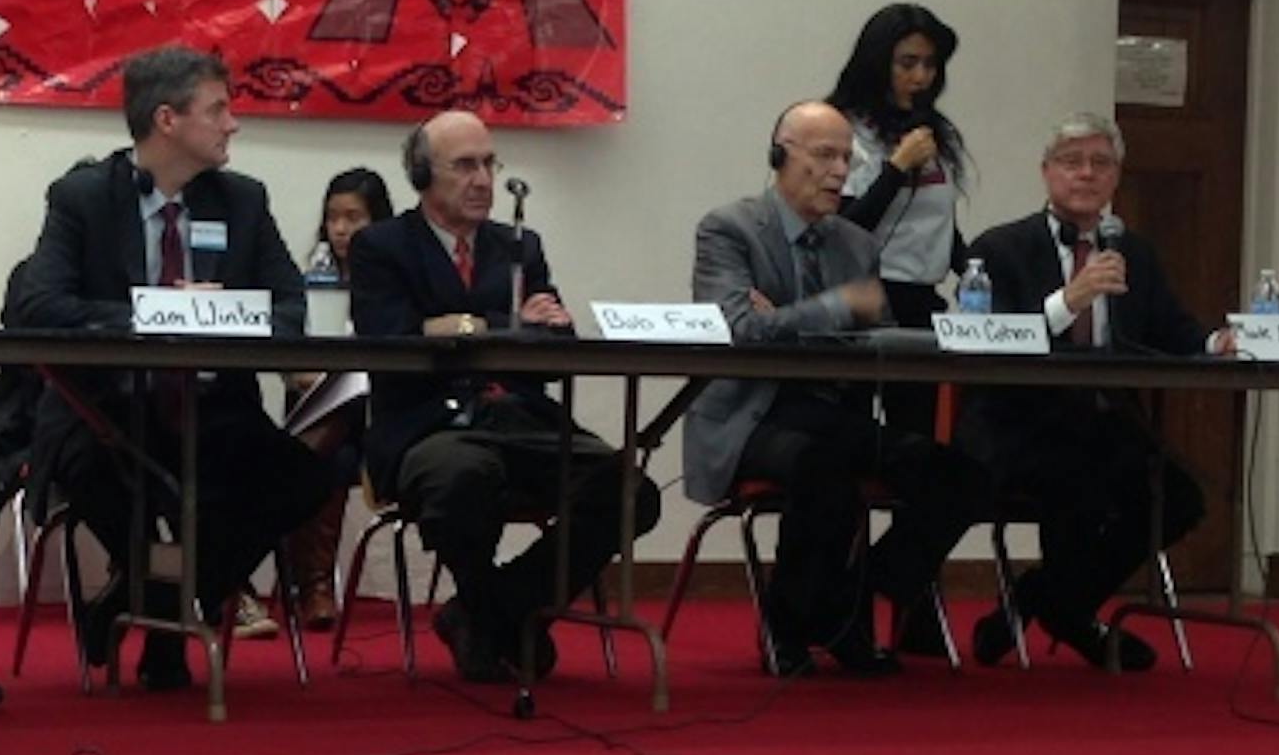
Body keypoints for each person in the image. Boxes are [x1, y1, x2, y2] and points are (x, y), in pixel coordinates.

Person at [5, 45, 334, 690]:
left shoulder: (243, 200)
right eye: (218, 109)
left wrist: (227, 313)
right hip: (105, 414)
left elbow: (290, 307)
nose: (233, 123)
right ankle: (169, 615)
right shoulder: (83, 197)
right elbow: (37, 305)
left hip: (215, 412)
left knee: (300, 478)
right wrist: (157, 312)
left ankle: (148, 603)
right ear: (167, 119)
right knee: (113, 478)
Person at [350, 110, 658, 684]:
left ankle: (495, 609)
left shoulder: (520, 245)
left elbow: (556, 340)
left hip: (521, 418)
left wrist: (458, 326)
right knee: (463, 479)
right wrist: (503, 323)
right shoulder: (381, 245)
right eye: (465, 166)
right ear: (422, 175)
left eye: (489, 164)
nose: (483, 180)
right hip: (428, 424)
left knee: (631, 491)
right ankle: (497, 615)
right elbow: (390, 336)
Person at [684, 101, 989, 678]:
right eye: (825, 156)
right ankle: (788, 628)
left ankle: (847, 600)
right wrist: (835, 307)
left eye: (847, 159)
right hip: (753, 415)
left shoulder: (857, 244)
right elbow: (738, 330)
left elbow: (870, 343)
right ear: (779, 156)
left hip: (833, 408)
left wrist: (790, 319)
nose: (840, 172)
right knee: (822, 467)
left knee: (960, 477)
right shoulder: (729, 228)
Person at [959, 112, 1233, 671]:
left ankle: (1045, 598)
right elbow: (984, 339)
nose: (1086, 174)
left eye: (1100, 163)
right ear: (1046, 172)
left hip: (1104, 423)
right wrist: (1068, 302)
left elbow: (1171, 329)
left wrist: (1216, 342)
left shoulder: (1134, 251)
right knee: (1081, 481)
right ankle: (1069, 613)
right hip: (1020, 424)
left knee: (1178, 497)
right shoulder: (1000, 248)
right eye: (1072, 162)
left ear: (1117, 177)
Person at [826, 3, 970, 439]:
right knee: (851, 437)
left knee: (918, 440)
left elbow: (938, 219)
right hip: (862, 295)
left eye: (930, 65)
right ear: (878, 63)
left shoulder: (933, 132)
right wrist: (896, 169)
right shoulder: (845, 130)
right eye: (907, 64)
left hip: (920, 299)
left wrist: (974, 270)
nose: (920, 77)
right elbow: (844, 231)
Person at [274, 166, 395, 631]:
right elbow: (289, 353)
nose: (341, 229)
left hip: (376, 416)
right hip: (323, 417)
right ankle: (314, 584)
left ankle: (310, 581)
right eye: (332, 217)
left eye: (353, 218)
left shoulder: (393, 280)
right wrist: (299, 374)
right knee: (330, 453)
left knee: (321, 449)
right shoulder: (311, 280)